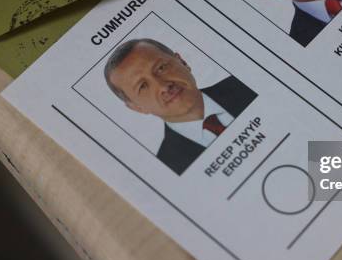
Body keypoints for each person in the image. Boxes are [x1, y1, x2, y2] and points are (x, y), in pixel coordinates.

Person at [104, 38, 256, 175]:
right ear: (137, 108)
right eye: (143, 86)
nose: (163, 86)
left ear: (182, 62)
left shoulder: (250, 82)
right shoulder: (169, 168)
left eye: (161, 68)